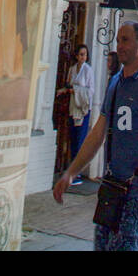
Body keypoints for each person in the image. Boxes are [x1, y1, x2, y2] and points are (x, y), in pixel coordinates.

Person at [53, 19, 138, 252]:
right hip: (112, 187)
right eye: (118, 40)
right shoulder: (116, 83)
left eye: (126, 40)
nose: (119, 46)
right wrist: (71, 172)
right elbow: (98, 133)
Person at [56, 44, 94, 185]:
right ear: (76, 56)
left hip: (83, 109)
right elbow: (68, 85)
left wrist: (75, 91)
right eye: (80, 54)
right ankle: (70, 171)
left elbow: (90, 91)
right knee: (72, 139)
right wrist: (65, 90)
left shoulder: (88, 71)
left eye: (84, 54)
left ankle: (76, 174)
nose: (82, 57)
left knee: (80, 141)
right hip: (73, 107)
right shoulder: (72, 70)